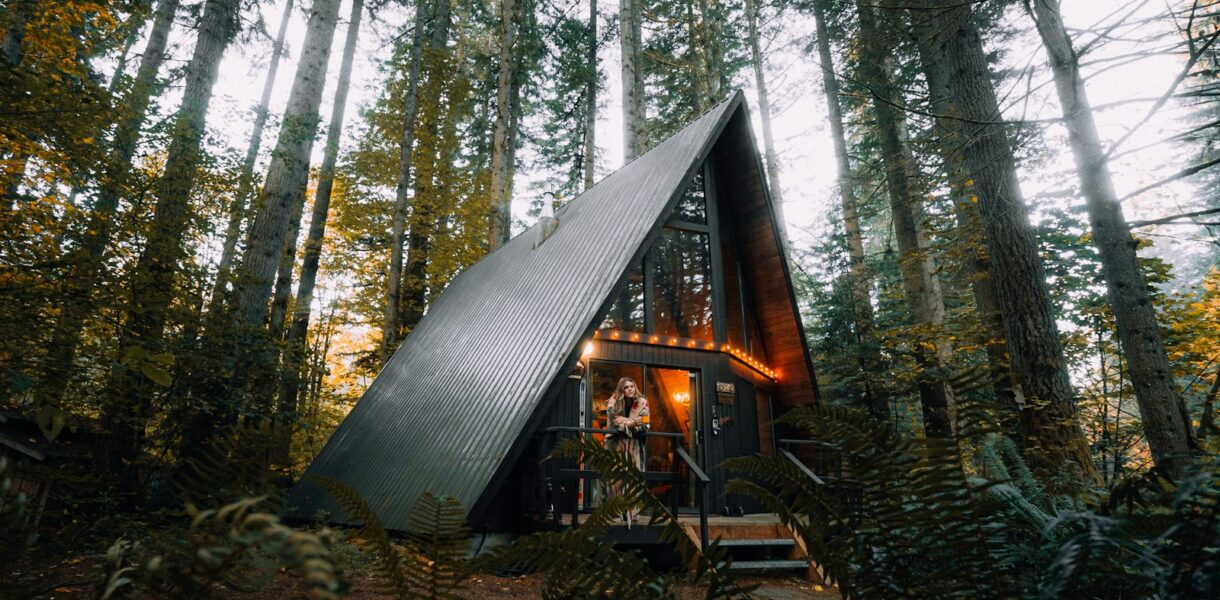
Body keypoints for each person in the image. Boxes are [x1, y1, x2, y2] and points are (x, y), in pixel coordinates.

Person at [604, 377, 649, 520]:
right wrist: (631, 423)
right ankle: (616, 512)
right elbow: (613, 420)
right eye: (626, 387)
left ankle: (633, 514)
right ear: (621, 390)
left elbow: (645, 424)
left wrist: (626, 423)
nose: (630, 389)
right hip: (616, 444)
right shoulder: (613, 402)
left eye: (632, 386)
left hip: (634, 446)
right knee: (616, 479)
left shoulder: (643, 402)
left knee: (634, 478)